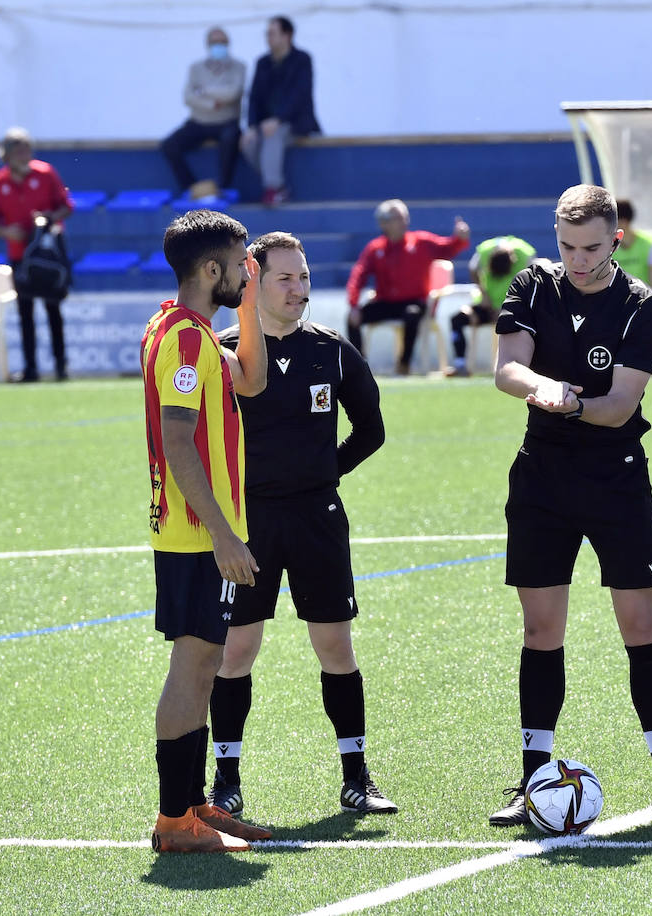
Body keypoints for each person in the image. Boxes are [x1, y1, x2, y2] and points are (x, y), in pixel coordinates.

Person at [487, 184, 652, 830]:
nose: (578, 261)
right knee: (539, 631)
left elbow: (620, 407)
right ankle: (531, 781)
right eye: (567, 247)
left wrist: (573, 403)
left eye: (591, 248)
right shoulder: (532, 284)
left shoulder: (643, 306)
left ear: (616, 241)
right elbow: (506, 369)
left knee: (641, 626)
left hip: (615, 479)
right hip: (542, 478)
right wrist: (545, 388)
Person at [209, 232, 396, 817]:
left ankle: (356, 777)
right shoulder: (224, 351)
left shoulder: (331, 349)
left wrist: (322, 474)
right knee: (236, 650)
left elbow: (372, 430)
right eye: (285, 278)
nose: (299, 289)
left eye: (305, 277)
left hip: (317, 518)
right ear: (254, 282)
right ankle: (226, 780)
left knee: (335, 645)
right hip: (248, 523)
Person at [140, 208, 271, 853]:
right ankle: (174, 822)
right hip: (196, 535)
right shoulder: (186, 341)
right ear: (212, 268)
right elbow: (177, 442)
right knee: (193, 670)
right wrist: (223, 535)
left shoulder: (187, 328)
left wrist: (247, 304)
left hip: (200, 531)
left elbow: (253, 379)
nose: (250, 271)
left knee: (206, 663)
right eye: (242, 263)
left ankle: (192, 806)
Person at [0, 128, 74, 383]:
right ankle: (30, 368)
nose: (24, 156)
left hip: (48, 254)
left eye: (27, 150)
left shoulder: (45, 173)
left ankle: (60, 367)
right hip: (19, 255)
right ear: (7, 155)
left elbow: (66, 206)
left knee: (53, 308)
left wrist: (47, 219)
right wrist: (7, 231)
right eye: (18, 151)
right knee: (25, 311)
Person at [345, 199, 470, 376]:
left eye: (405, 217)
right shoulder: (375, 248)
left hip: (414, 301)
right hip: (386, 302)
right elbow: (358, 275)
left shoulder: (421, 241)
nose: (404, 222)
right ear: (383, 223)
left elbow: (448, 248)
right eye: (398, 218)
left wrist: (460, 238)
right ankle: (359, 367)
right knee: (352, 318)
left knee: (412, 314)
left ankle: (404, 364)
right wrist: (354, 304)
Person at [241, 15, 320, 206]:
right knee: (248, 143)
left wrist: (278, 119)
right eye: (267, 34)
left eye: (272, 33)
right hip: (265, 125)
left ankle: (273, 189)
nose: (268, 38)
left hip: (295, 123)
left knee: (273, 135)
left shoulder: (302, 60)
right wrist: (251, 127)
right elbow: (254, 97)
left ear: (287, 35)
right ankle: (280, 187)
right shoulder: (262, 62)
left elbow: (300, 94)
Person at [160, 27, 246, 199]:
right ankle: (194, 188)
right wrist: (212, 103)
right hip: (199, 122)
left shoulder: (239, 67)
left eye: (222, 42)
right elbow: (188, 97)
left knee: (230, 140)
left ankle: (222, 188)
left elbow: (233, 93)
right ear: (207, 45)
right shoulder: (196, 68)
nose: (218, 46)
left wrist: (204, 90)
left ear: (228, 44)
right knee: (169, 145)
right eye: (214, 42)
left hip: (227, 122)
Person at [448, 235, 536, 377]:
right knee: (458, 318)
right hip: (487, 307)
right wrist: (483, 293)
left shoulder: (524, 252)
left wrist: (508, 307)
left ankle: (517, 367)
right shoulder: (484, 250)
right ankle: (460, 364)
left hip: (514, 309)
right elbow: (473, 269)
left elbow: (535, 276)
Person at [614, 199, 652, 288]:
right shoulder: (607, 247)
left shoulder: (651, 245)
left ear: (623, 222)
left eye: (611, 221)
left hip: (645, 296)